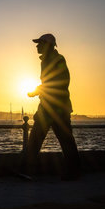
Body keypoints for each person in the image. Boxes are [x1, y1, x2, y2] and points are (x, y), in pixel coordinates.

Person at [23, 33, 80, 180]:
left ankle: (73, 172)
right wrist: (38, 91)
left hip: (56, 108)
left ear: (48, 46)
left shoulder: (57, 60)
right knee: (38, 139)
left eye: (40, 43)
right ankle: (29, 170)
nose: (37, 46)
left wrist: (37, 91)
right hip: (49, 107)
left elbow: (59, 82)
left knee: (64, 141)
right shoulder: (47, 61)